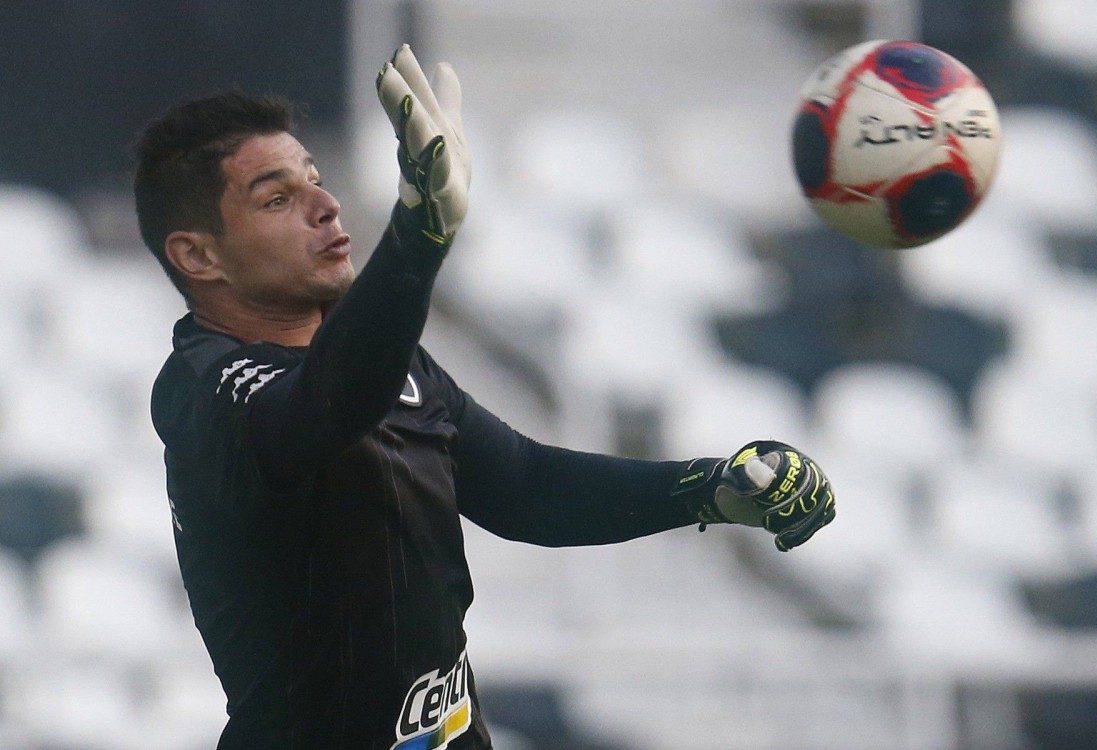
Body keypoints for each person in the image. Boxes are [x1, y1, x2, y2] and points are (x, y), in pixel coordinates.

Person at [136, 45, 835, 750]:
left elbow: (524, 486)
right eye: (278, 199)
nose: (325, 205)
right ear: (199, 256)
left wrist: (707, 491)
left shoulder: (386, 365)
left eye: (316, 180)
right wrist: (417, 235)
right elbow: (324, 409)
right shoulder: (207, 392)